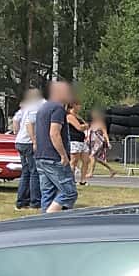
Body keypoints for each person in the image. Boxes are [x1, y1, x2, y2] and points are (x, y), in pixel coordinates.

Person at [33, 79, 78, 214]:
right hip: (54, 157)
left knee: (48, 193)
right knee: (69, 193)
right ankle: (49, 218)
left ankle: (44, 225)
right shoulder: (58, 109)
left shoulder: (43, 108)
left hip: (41, 157)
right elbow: (54, 133)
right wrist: (63, 155)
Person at [12, 86, 44, 209]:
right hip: (28, 142)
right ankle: (35, 201)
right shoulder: (39, 105)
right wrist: (34, 140)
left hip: (20, 141)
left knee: (26, 172)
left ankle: (21, 201)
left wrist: (17, 132)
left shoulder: (27, 106)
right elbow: (30, 123)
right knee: (34, 172)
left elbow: (15, 120)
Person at [81, 110, 112, 184]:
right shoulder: (92, 123)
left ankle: (91, 173)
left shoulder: (101, 123)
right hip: (92, 142)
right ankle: (111, 170)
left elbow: (105, 133)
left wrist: (108, 142)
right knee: (95, 158)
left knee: (92, 156)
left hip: (99, 142)